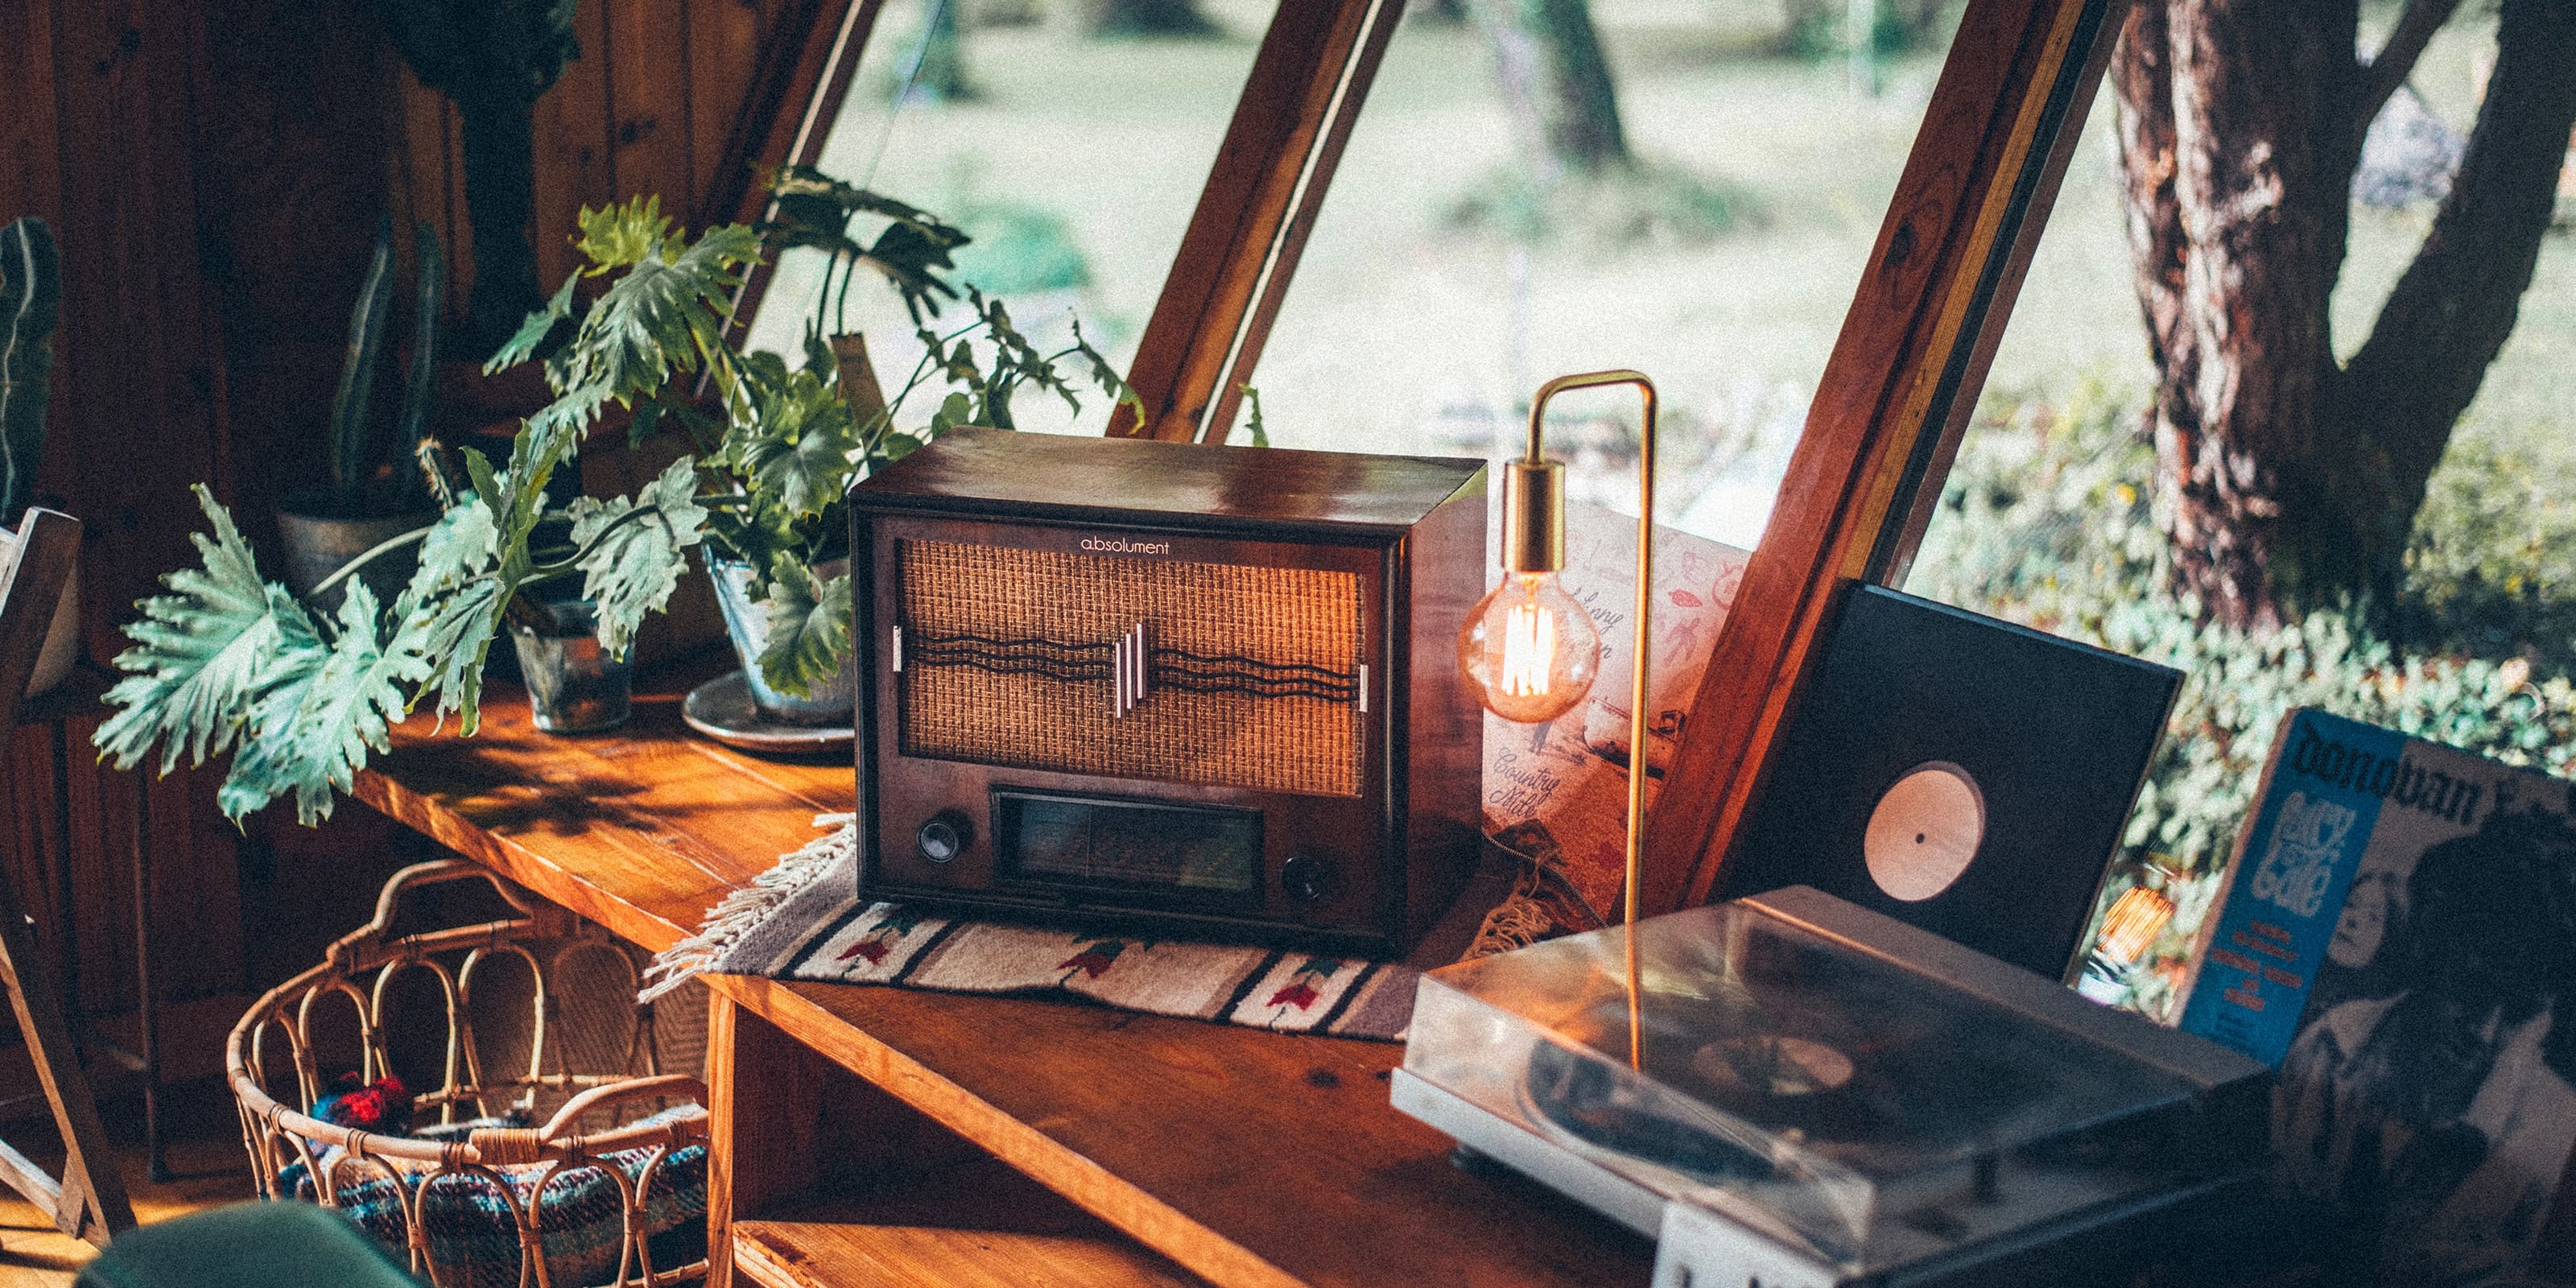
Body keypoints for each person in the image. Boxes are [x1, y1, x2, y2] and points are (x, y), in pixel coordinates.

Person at [2274, 805, 2576, 1287]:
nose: (2486, 1030)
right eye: (2475, 989)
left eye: (2517, 1005)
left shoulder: (2552, 1132)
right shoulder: (2335, 1046)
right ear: (2432, 952)